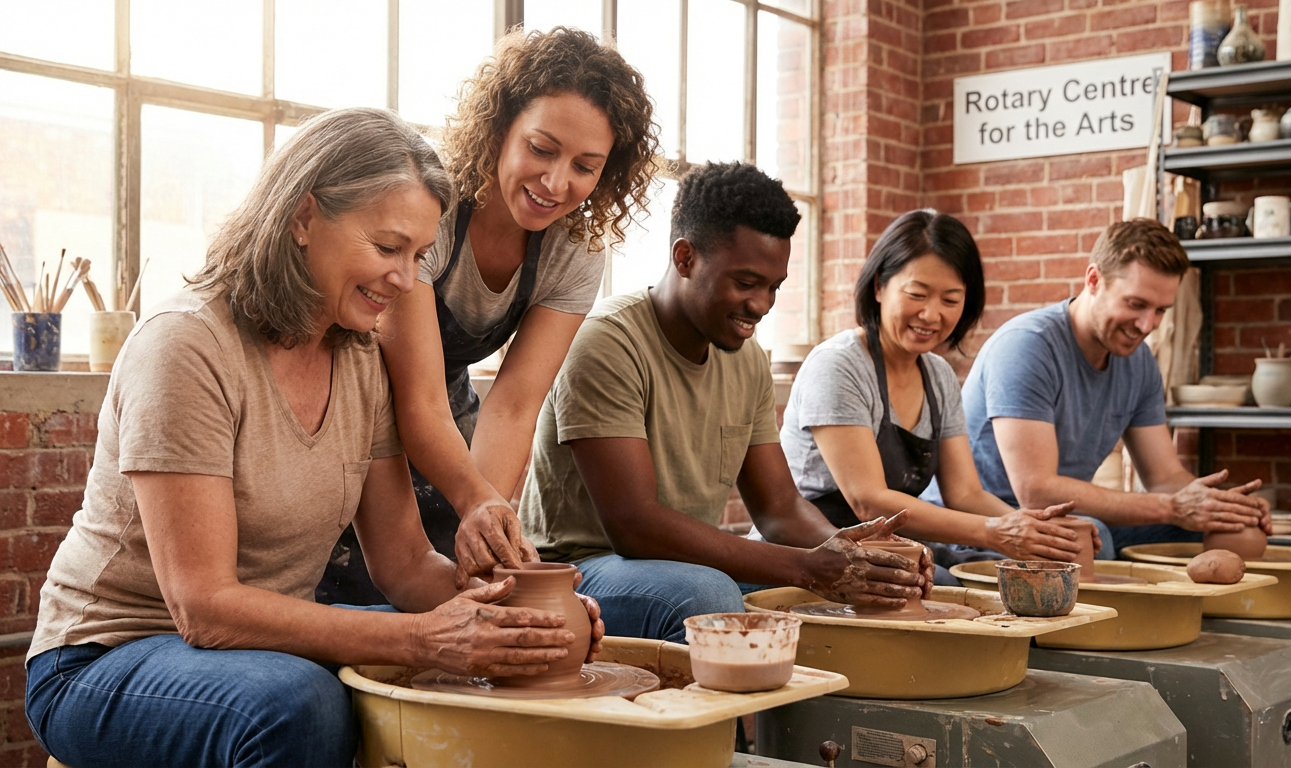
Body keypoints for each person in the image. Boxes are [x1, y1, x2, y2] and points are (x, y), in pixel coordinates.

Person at [25, 108, 602, 768]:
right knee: (301, 702)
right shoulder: (186, 346)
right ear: (302, 219)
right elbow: (204, 608)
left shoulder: (359, 358)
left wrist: (525, 620)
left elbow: (408, 567)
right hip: (104, 658)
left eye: (419, 257)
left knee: (473, 676)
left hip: (255, 653)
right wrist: (421, 641)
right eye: (388, 248)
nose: (406, 278)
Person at [518, 162, 933, 644]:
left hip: (680, 564)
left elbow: (778, 507)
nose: (761, 305)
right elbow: (635, 525)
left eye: (774, 287)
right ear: (685, 257)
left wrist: (850, 557)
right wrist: (807, 566)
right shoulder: (608, 342)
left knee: (887, 586)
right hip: (582, 569)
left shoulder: (748, 358)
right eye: (746, 282)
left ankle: (798, 721)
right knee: (706, 596)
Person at [319, 27, 659, 604]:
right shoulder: (432, 205)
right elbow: (416, 396)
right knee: (356, 600)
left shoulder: (575, 249)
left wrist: (486, 521)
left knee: (455, 580)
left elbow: (515, 402)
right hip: (350, 402)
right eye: (542, 149)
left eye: (586, 165)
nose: (557, 183)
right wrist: (473, 496)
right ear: (500, 128)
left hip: (447, 418)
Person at [778, 210, 1092, 584]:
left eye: (951, 299)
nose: (931, 314)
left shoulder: (938, 375)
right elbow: (870, 502)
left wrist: (1032, 527)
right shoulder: (839, 365)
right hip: (813, 548)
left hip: (890, 543)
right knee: (943, 585)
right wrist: (995, 532)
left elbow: (965, 493)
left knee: (1041, 564)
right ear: (879, 287)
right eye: (917, 294)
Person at [962, 218, 1270, 556]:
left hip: (1063, 520)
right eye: (1136, 305)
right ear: (1093, 280)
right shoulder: (1027, 347)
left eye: (1160, 311)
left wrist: (1224, 507)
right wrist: (1169, 508)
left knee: (1214, 530)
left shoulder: (1139, 363)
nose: (1147, 325)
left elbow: (1164, 476)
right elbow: (1037, 491)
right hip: (988, 526)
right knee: (1096, 539)